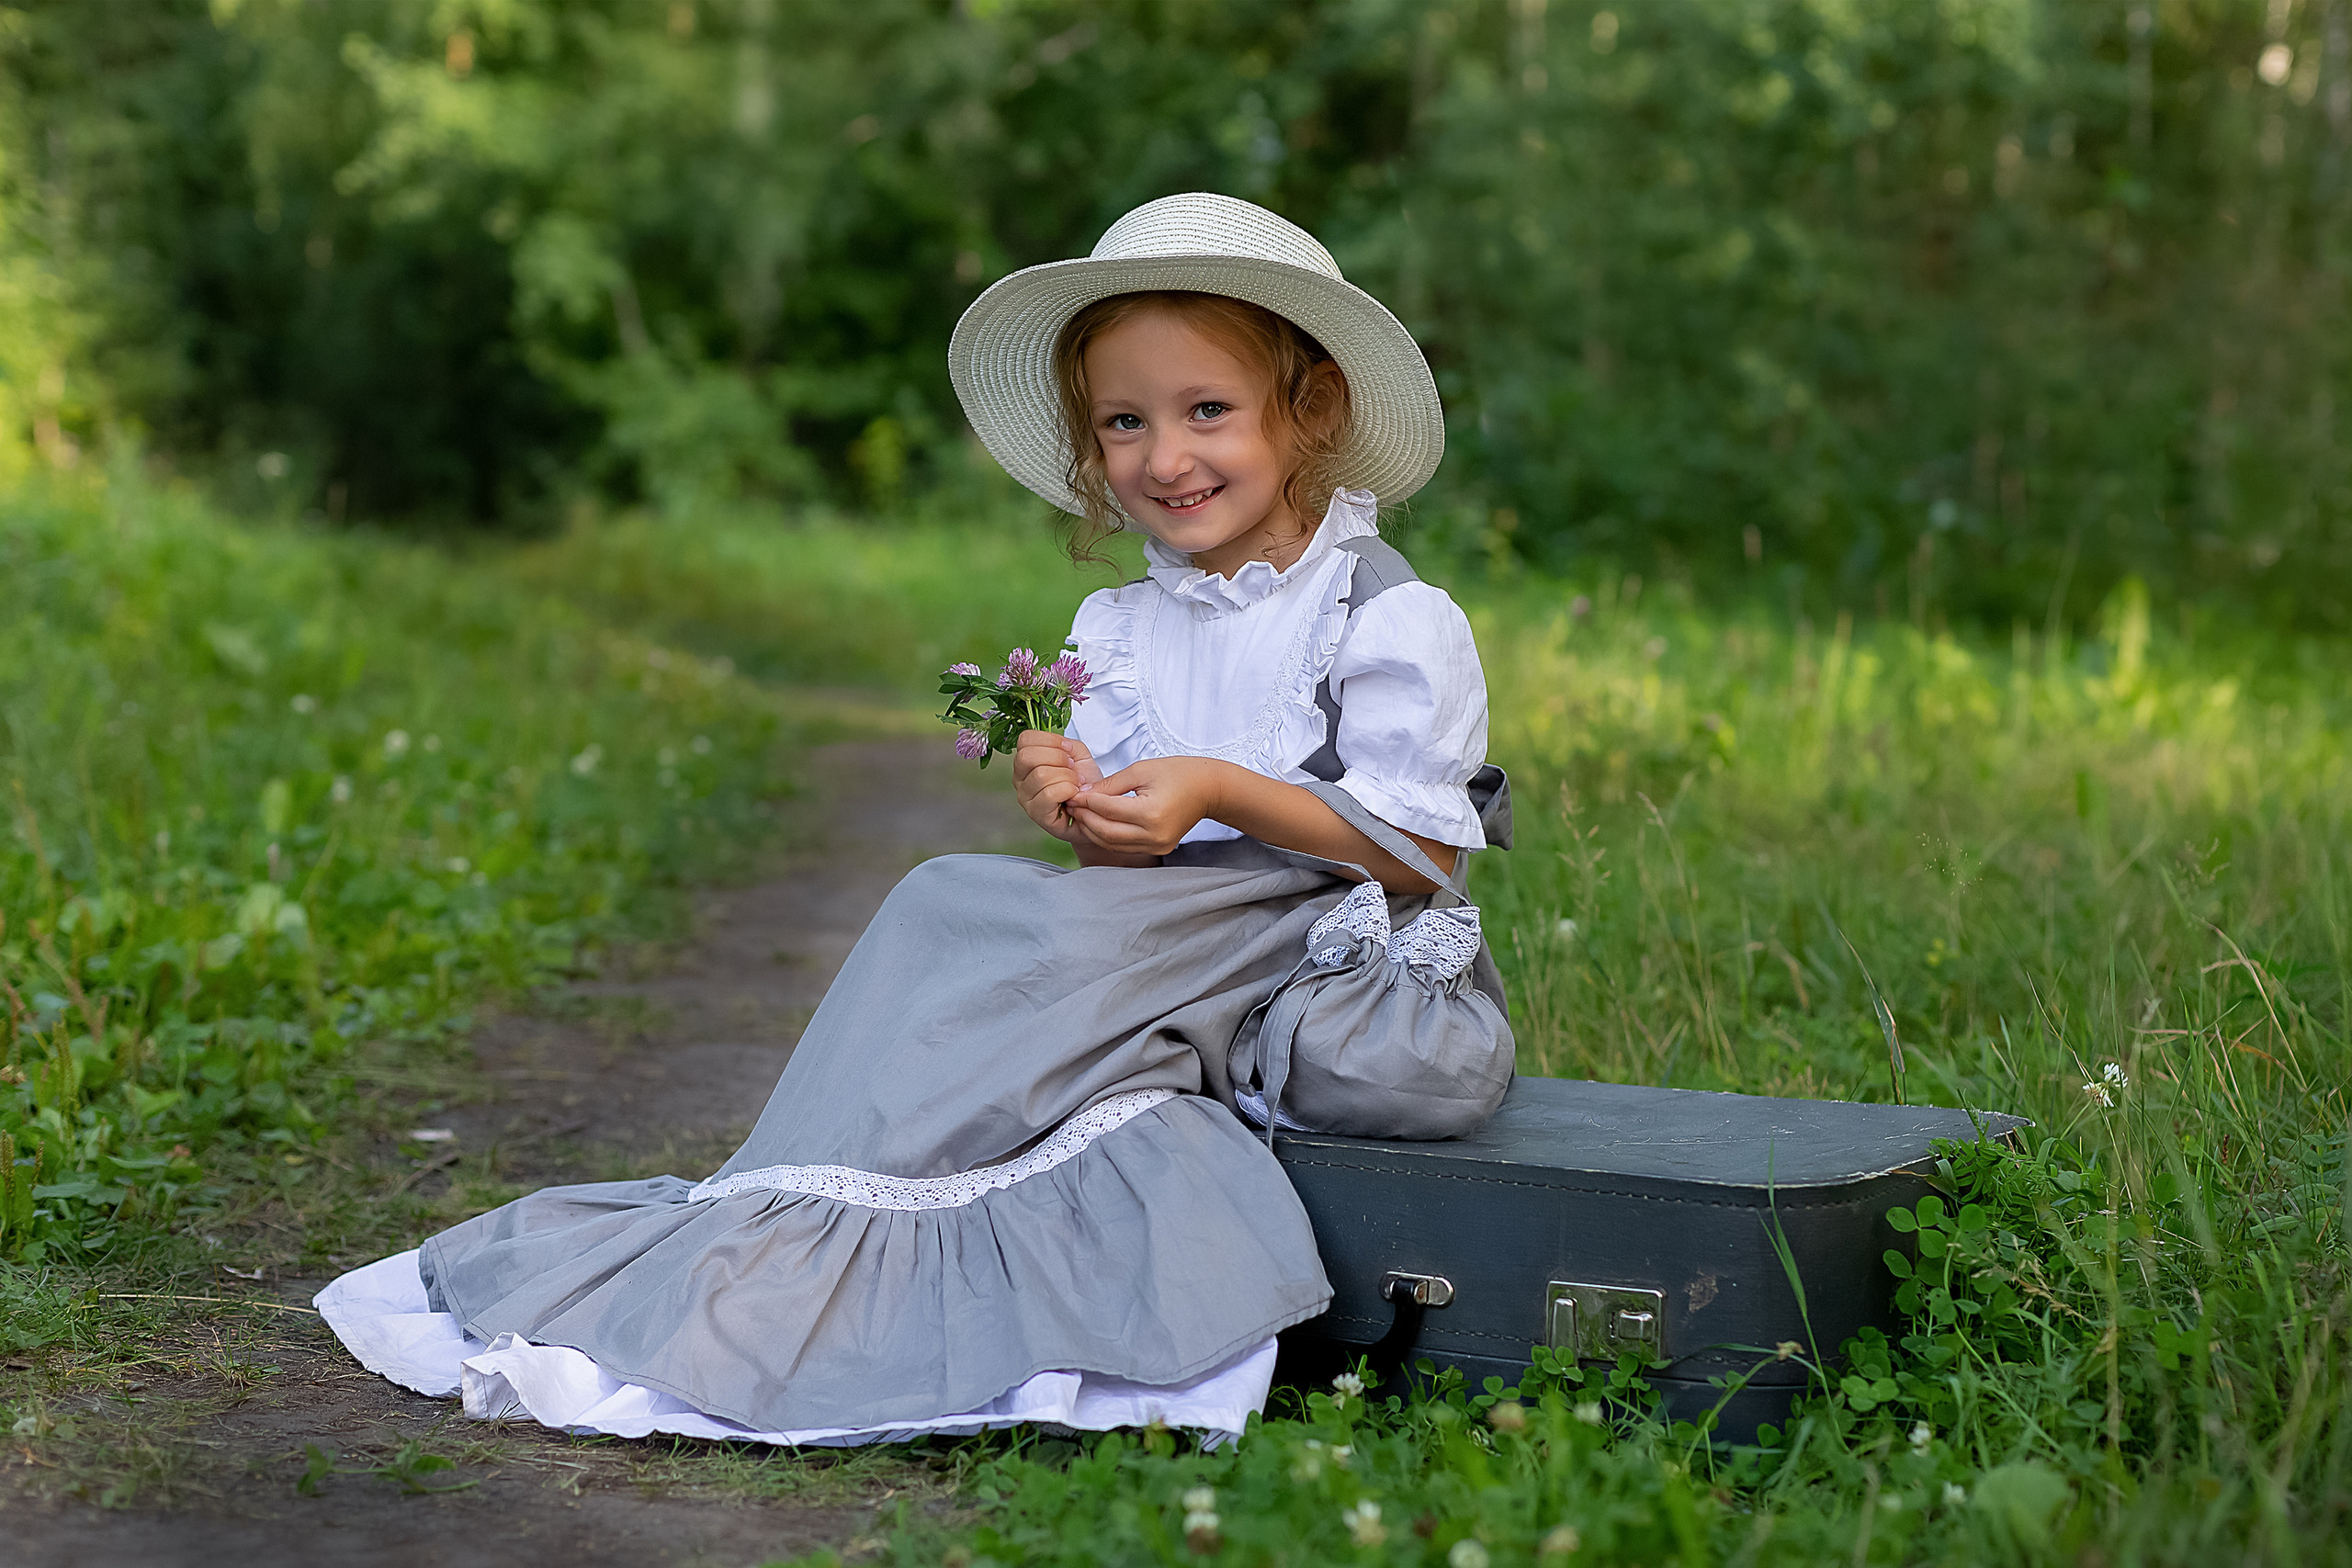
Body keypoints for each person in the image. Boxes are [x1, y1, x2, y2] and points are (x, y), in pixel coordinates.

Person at [315, 192, 1500, 1447]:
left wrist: (1216, 787)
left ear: (1306, 413)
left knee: (1051, 951)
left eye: (1209, 410)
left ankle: (883, 1259)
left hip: (1313, 936)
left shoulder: (1377, 612)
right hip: (1167, 924)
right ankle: (791, 1225)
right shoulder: (1126, 625)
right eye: (1125, 423)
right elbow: (1119, 840)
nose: (1166, 457)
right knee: (947, 897)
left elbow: (1423, 849)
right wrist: (1076, 806)